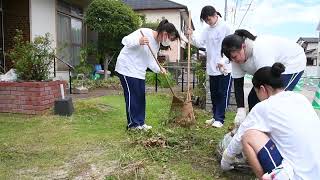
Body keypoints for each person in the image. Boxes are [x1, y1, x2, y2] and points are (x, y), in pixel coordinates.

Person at [220, 63, 320, 179]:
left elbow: (239, 137)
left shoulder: (264, 107)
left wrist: (225, 162)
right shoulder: (300, 98)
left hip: (298, 175)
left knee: (248, 135)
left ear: (262, 89)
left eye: (256, 92)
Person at [221, 29, 306, 126]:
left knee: (276, 100)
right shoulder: (235, 58)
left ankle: (277, 129)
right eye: (230, 58)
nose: (234, 61)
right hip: (267, 70)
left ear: (243, 47)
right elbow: (237, 84)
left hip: (292, 63)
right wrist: (240, 110)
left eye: (235, 57)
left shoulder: (260, 50)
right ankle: (254, 127)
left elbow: (266, 84)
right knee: (253, 98)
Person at [115, 19, 180, 130]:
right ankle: (133, 125)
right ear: (164, 33)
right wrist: (138, 41)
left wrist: (160, 69)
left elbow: (151, 61)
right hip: (127, 67)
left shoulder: (157, 45)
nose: (169, 41)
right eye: (170, 38)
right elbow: (125, 41)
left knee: (140, 97)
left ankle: (140, 122)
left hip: (139, 71)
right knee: (132, 96)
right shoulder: (144, 32)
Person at [189, 5, 233, 128]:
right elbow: (199, 42)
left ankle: (220, 119)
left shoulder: (226, 27)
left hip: (225, 67)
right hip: (212, 67)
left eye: (209, 19)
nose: (208, 22)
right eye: (206, 21)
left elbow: (232, 46)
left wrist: (224, 60)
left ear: (215, 15)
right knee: (214, 93)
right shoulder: (207, 29)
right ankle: (215, 117)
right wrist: (191, 35)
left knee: (222, 93)